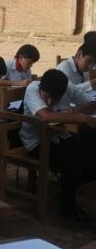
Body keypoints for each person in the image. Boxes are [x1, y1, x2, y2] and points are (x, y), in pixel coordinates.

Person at [20, 69, 96, 218]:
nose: (49, 102)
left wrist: (74, 111)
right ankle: (68, 210)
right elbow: (46, 116)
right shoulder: (33, 89)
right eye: (46, 97)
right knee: (72, 165)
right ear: (41, 87)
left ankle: (66, 187)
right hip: (38, 142)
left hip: (61, 136)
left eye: (55, 99)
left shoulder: (66, 86)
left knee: (91, 162)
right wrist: (83, 118)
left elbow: (91, 103)